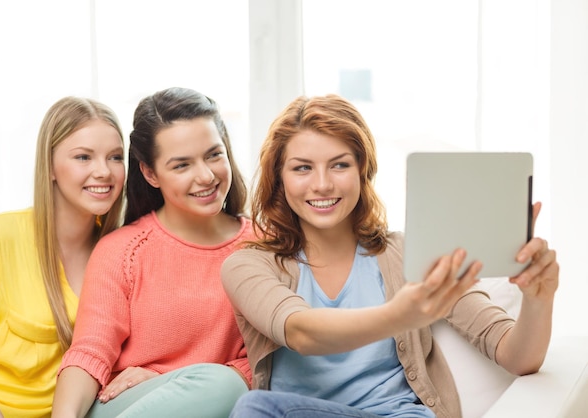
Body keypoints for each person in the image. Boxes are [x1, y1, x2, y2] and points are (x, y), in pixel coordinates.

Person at [221, 94, 559, 418]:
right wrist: (400, 315)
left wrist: (538, 298)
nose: (322, 184)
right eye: (302, 168)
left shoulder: (411, 255)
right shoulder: (248, 266)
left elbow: (518, 358)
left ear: (363, 170)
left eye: (340, 165)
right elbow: (301, 333)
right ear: (279, 178)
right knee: (256, 410)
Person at [51, 87, 253, 418]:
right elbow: (90, 351)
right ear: (150, 173)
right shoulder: (123, 250)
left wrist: (172, 382)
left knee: (226, 384)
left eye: (214, 155)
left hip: (219, 398)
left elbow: (270, 361)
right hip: (121, 404)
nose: (205, 175)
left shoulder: (263, 247)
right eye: (181, 165)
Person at [0, 97, 126, 418]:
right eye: (83, 157)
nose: (103, 171)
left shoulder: (121, 251)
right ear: (49, 166)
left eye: (116, 157)